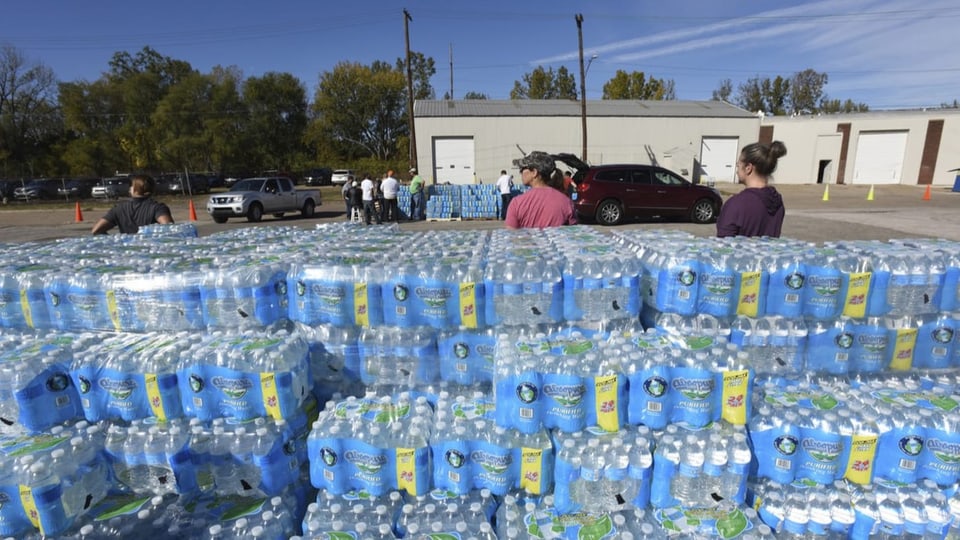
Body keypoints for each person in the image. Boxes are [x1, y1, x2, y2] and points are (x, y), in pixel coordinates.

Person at [716, 140, 787, 238]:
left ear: (748, 168)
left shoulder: (736, 204)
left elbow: (723, 246)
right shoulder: (777, 201)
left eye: (738, 165)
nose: (737, 171)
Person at [505, 151, 577, 229]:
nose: (520, 173)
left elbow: (511, 237)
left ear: (534, 173)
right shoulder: (566, 202)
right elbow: (573, 235)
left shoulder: (516, 203)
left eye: (522, 169)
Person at [91, 174, 173, 234]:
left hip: (129, 253)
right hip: (150, 251)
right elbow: (169, 227)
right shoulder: (157, 208)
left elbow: (96, 230)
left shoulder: (118, 209)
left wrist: (115, 242)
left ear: (134, 189)